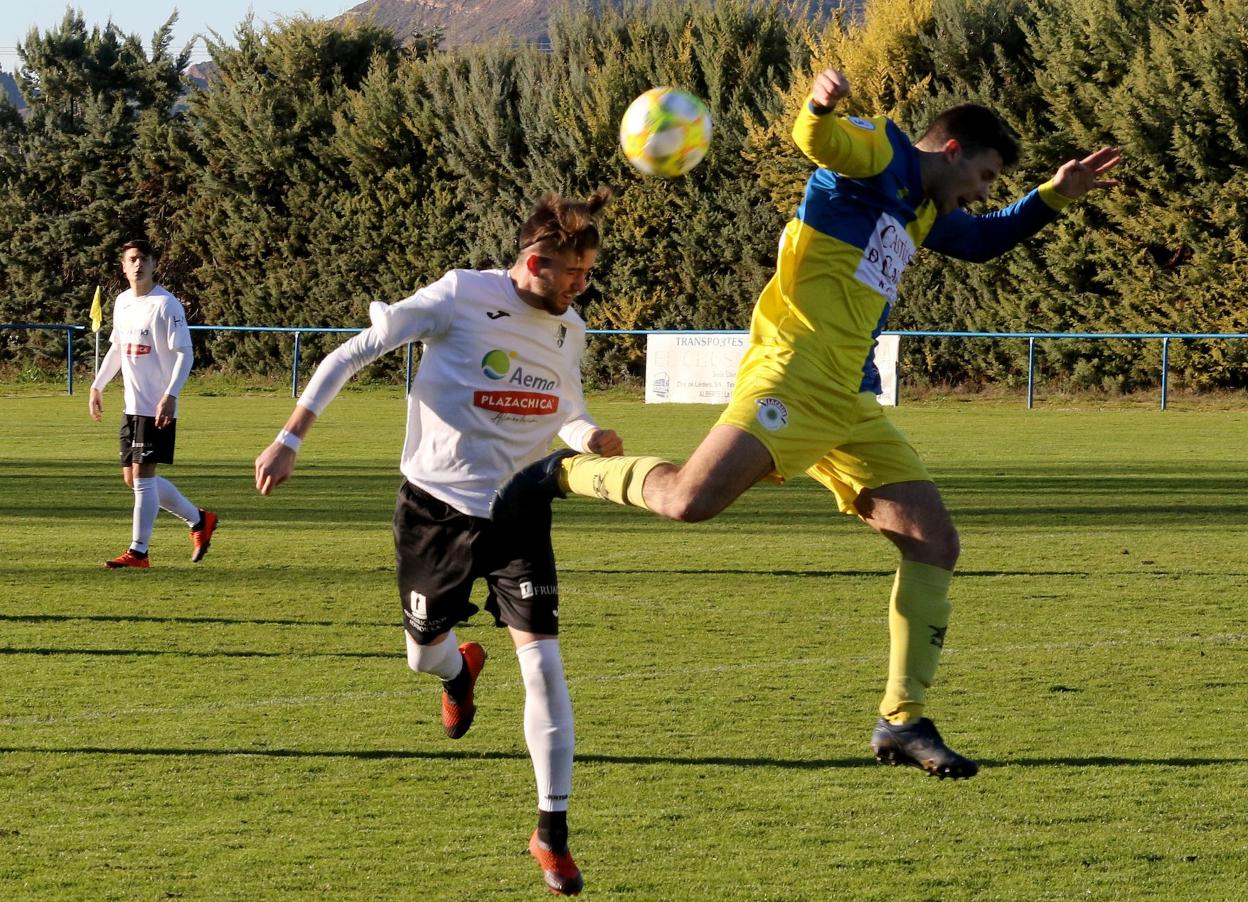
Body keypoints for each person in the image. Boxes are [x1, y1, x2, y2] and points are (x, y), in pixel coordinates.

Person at [495, 69, 1122, 780]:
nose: (983, 192)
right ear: (949, 149)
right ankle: (563, 473)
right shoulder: (881, 151)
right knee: (688, 501)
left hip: (850, 397)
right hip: (792, 373)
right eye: (982, 175)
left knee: (933, 540)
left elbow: (981, 241)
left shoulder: (921, 207)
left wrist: (1050, 197)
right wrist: (820, 104)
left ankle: (902, 721)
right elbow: (816, 139)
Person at [254, 189, 622, 897]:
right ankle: (457, 672)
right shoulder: (458, 296)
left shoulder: (568, 329)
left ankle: (552, 831)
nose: (583, 287)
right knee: (423, 654)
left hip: (520, 508)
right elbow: (357, 352)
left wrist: (589, 436)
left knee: (545, 666)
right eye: (574, 273)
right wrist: (290, 436)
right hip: (434, 509)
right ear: (535, 261)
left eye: (587, 275)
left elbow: (567, 409)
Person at [89, 239, 218, 569]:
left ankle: (138, 551)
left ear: (153, 264)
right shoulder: (121, 302)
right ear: (123, 266)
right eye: (131, 259)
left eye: (144, 259)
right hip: (131, 407)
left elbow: (184, 353)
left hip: (156, 406)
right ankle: (199, 520)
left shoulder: (167, 304)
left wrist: (170, 395)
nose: (138, 264)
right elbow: (117, 348)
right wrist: (98, 384)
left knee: (144, 479)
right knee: (132, 480)